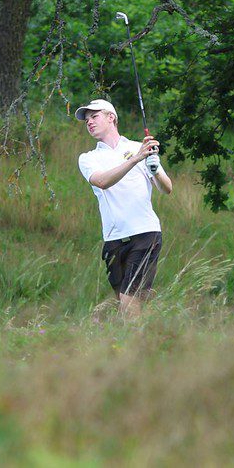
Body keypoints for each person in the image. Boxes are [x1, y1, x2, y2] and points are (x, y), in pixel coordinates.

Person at [76, 99, 173, 318]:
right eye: (86, 119)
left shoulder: (138, 148)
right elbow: (102, 181)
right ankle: (154, 328)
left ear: (111, 117)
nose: (89, 122)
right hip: (113, 239)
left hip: (145, 233)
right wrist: (136, 159)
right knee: (125, 301)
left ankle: (137, 339)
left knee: (129, 299)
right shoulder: (88, 158)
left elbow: (166, 188)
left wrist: (154, 169)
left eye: (94, 116)